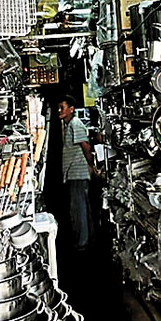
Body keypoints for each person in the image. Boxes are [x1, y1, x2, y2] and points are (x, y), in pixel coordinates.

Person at [57, 95, 97, 253]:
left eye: (62, 107)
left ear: (71, 109)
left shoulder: (75, 123)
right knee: (82, 207)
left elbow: (85, 146)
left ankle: (82, 242)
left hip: (78, 172)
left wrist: (91, 165)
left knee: (78, 209)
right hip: (74, 172)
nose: (59, 110)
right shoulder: (69, 125)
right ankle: (87, 238)